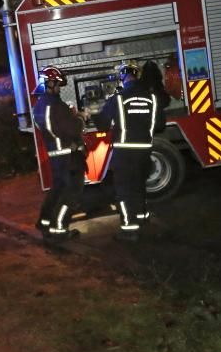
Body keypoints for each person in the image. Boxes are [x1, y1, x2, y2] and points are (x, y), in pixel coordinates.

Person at [95, 60, 166, 242]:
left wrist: (92, 115)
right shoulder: (151, 98)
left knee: (125, 190)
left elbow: (101, 123)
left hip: (125, 152)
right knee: (139, 186)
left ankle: (129, 229)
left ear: (123, 77)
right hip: (144, 151)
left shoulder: (118, 99)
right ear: (137, 75)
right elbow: (159, 125)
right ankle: (142, 217)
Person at [32, 66, 86, 243]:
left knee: (56, 191)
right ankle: (59, 229)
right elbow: (72, 128)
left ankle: (44, 223)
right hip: (68, 157)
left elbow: (49, 129)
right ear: (49, 83)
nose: (59, 88)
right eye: (57, 84)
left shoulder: (39, 105)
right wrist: (80, 118)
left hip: (56, 155)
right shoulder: (56, 105)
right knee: (70, 194)